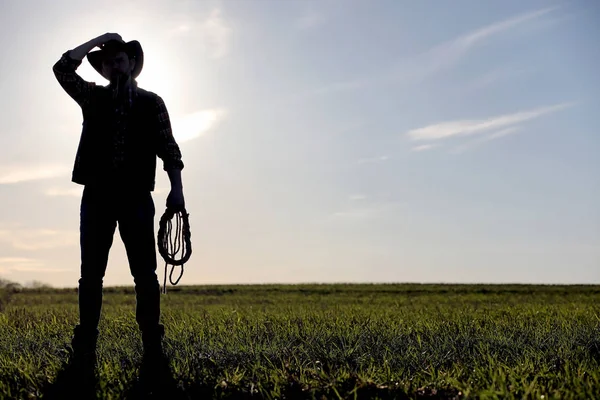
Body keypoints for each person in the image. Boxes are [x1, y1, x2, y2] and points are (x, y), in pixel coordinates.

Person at [52, 32, 185, 368]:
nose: (114, 63)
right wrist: (98, 39)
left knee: (145, 273)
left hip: (137, 196)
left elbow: (168, 148)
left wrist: (177, 189)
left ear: (132, 63)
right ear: (104, 68)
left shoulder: (151, 102)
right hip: (97, 194)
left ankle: (152, 344)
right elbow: (62, 69)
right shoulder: (91, 97)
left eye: (120, 58)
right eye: (108, 60)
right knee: (91, 274)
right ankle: (85, 344)